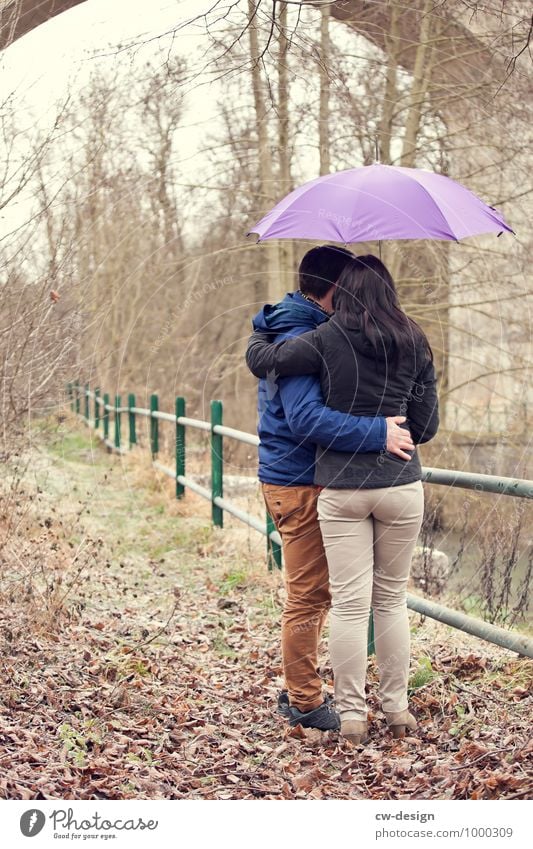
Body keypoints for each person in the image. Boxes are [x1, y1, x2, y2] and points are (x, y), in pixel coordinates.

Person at [246, 254, 439, 744]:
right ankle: (388, 708)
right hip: (386, 482)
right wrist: (387, 428)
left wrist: (257, 343)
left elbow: (268, 362)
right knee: (385, 601)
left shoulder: (323, 338)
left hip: (338, 485)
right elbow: (427, 426)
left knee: (350, 605)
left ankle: (351, 715)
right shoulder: (414, 339)